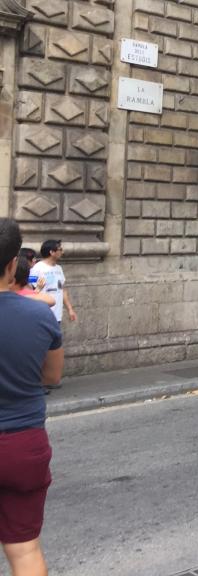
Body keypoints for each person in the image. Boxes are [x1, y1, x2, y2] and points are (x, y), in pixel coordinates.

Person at [0, 218, 64, 576]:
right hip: (23, 442)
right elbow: (52, 376)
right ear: (13, 265)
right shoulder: (41, 315)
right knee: (24, 551)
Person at [29, 239, 76, 326]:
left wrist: (70, 309)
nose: (62, 252)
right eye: (60, 249)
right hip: (42, 315)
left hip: (57, 315)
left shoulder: (59, 269)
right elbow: (29, 289)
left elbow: (62, 289)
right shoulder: (36, 269)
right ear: (52, 252)